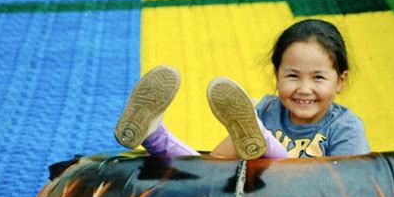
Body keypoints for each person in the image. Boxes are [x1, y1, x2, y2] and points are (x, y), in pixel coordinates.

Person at [114, 19, 370, 160]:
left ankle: (265, 142)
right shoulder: (266, 111)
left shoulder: (345, 128)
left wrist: (265, 141)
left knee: (262, 145)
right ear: (276, 76)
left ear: (340, 80)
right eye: (293, 76)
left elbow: (343, 193)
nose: (304, 89)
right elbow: (217, 163)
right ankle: (153, 134)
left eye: (318, 78)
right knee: (207, 174)